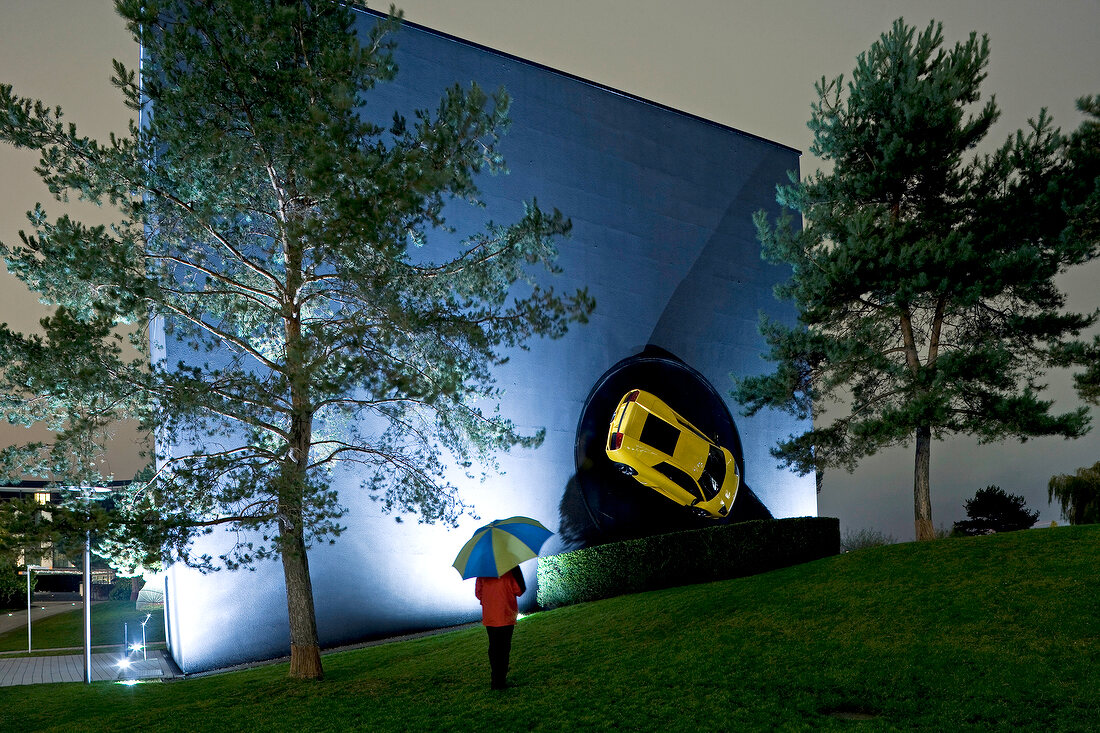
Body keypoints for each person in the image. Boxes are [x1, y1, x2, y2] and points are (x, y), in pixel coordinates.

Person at [474, 565, 526, 690]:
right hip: (506, 614)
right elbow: (519, 590)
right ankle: (500, 681)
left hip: (490, 616)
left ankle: (495, 680)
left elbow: (478, 593)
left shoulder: (482, 571)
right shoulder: (510, 569)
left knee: (494, 647)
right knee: (504, 648)